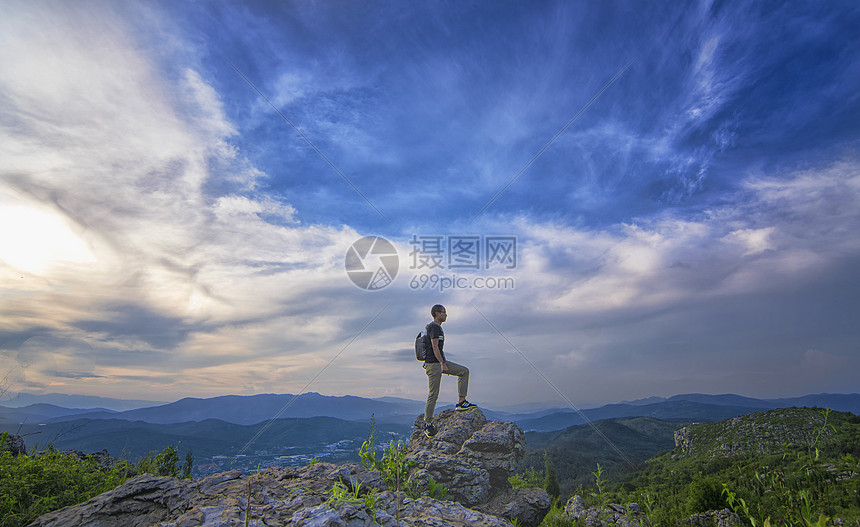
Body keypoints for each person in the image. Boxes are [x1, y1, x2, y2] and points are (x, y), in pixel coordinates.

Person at [423, 304, 476, 437]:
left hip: (440, 362)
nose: (446, 315)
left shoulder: (438, 328)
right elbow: (435, 348)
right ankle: (427, 425)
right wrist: (442, 363)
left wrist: (444, 362)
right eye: (443, 312)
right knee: (433, 394)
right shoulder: (434, 327)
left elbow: (438, 348)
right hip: (434, 364)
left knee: (464, 371)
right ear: (436, 313)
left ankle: (461, 402)